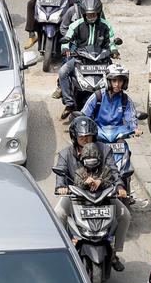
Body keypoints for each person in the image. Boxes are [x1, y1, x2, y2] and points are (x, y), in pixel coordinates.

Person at [53, 116, 130, 272]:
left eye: (89, 136)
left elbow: (114, 171)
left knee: (125, 215)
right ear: (74, 137)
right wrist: (61, 187)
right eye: (82, 137)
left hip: (104, 196)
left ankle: (114, 253)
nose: (86, 139)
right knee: (58, 214)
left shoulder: (105, 149)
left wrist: (120, 187)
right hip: (76, 197)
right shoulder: (65, 154)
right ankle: (64, 251)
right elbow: (60, 175)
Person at [56, 0, 117, 117]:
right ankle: (69, 103)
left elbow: (111, 41)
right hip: (80, 58)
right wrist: (65, 48)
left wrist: (114, 51)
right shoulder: (76, 25)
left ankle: (115, 103)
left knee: (116, 76)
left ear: (99, 13)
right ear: (84, 13)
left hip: (101, 60)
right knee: (63, 72)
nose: (92, 17)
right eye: (89, 14)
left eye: (94, 14)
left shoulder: (106, 25)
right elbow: (67, 38)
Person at [83, 63, 138, 134]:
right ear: (108, 81)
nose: (117, 84)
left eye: (120, 81)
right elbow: (84, 115)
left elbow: (131, 118)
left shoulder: (125, 100)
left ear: (124, 83)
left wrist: (135, 129)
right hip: (98, 133)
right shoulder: (97, 96)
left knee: (124, 145)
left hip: (118, 135)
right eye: (114, 81)